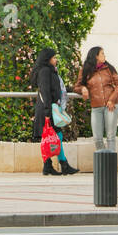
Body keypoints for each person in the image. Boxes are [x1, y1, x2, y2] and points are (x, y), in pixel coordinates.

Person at [31, 46, 77, 175]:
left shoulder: (49, 70)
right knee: (55, 135)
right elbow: (45, 91)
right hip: (47, 108)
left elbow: (57, 88)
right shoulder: (45, 71)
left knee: (51, 135)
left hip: (48, 107)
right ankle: (61, 164)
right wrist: (47, 112)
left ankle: (49, 165)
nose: (56, 60)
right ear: (48, 59)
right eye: (54, 57)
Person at [74, 44, 118, 153]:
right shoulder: (85, 70)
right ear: (96, 56)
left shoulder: (109, 68)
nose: (104, 55)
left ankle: (110, 164)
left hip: (111, 106)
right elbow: (76, 86)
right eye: (102, 53)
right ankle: (103, 163)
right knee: (97, 138)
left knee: (111, 136)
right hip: (96, 107)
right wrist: (83, 88)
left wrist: (112, 100)